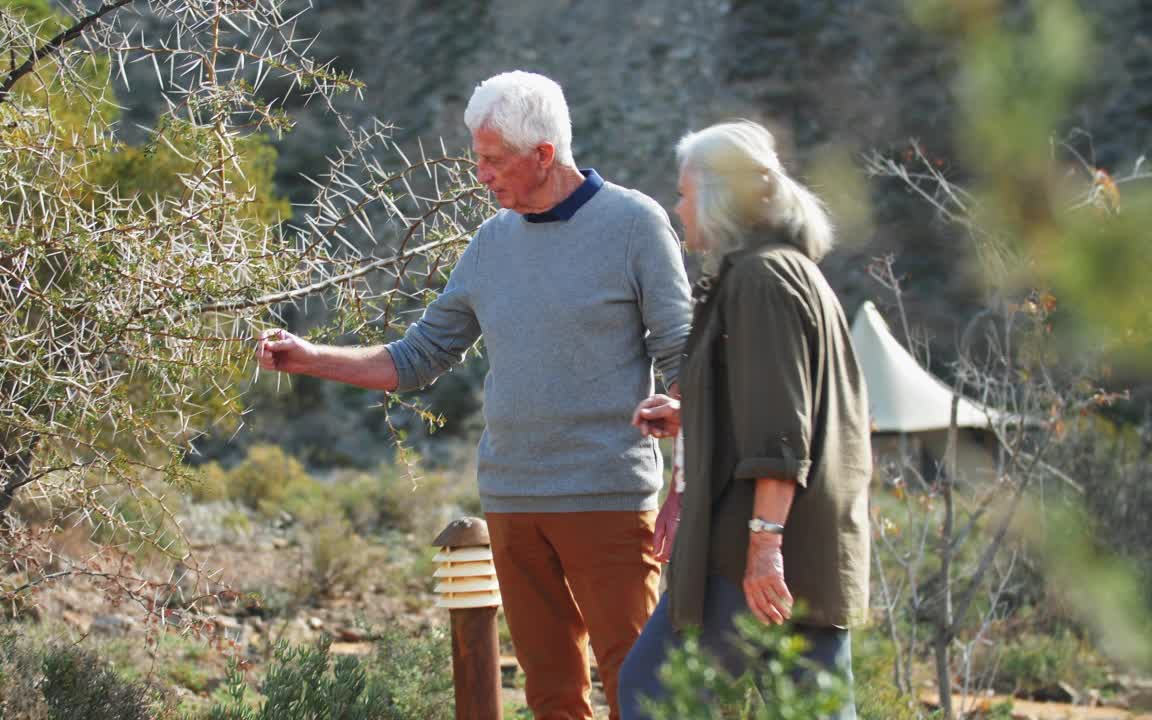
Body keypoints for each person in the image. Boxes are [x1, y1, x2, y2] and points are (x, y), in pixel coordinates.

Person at [256, 71, 692, 719]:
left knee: (640, 687)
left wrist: (688, 479)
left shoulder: (635, 225)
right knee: (549, 693)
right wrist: (311, 357)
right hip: (513, 503)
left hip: (607, 496)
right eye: (477, 159)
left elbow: (684, 357)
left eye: (493, 160)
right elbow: (417, 358)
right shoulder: (490, 243)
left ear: (543, 154)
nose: (481, 176)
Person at [616, 120, 871, 720]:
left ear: (718, 198)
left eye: (684, 194)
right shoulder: (782, 272)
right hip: (796, 547)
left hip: (750, 551)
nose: (677, 208)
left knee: (653, 692)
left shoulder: (761, 279)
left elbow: (784, 428)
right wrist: (695, 415)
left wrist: (765, 547)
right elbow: (773, 402)